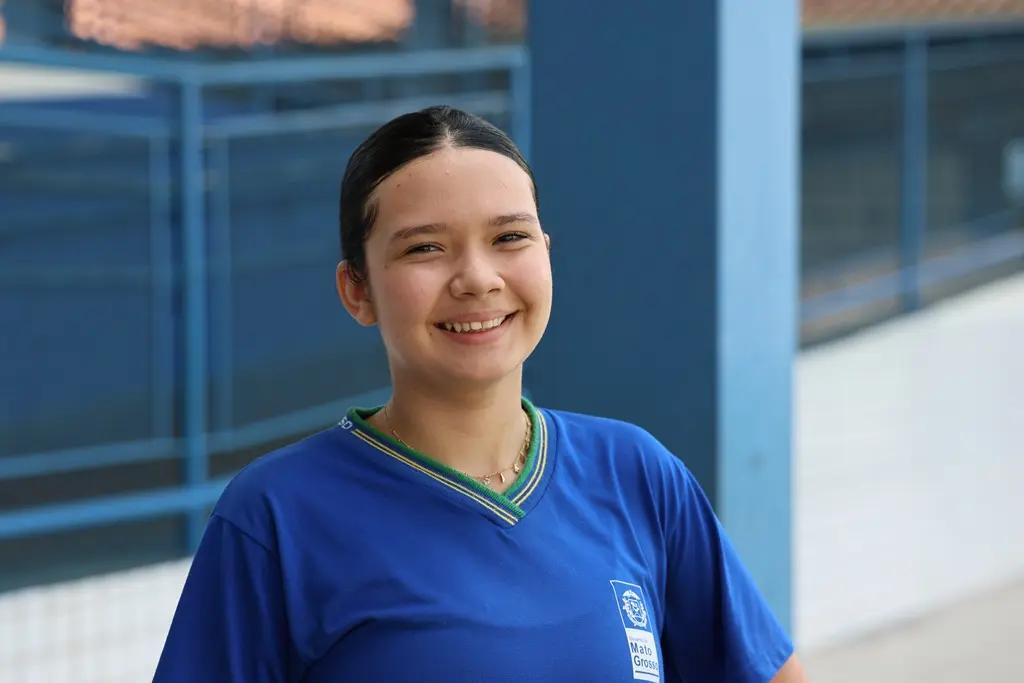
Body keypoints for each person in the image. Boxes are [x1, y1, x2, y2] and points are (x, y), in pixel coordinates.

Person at [152, 105, 808, 683]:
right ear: (358, 290)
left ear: (546, 253)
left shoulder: (636, 473)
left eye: (509, 238)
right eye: (426, 248)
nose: (477, 278)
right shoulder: (276, 516)